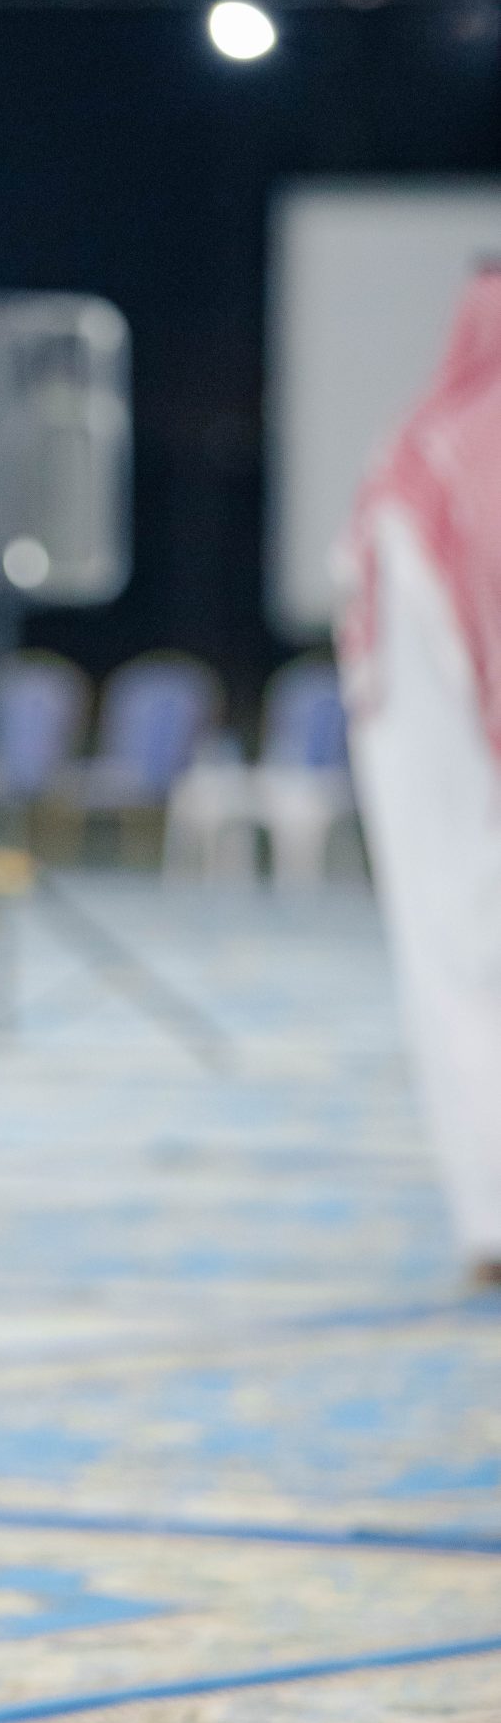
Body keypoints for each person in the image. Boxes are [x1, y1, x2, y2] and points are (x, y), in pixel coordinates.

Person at [340, 267, 501, 1285]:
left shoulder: (420, 457)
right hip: (454, 778)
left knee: (462, 977)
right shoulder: (436, 462)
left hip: (451, 786)